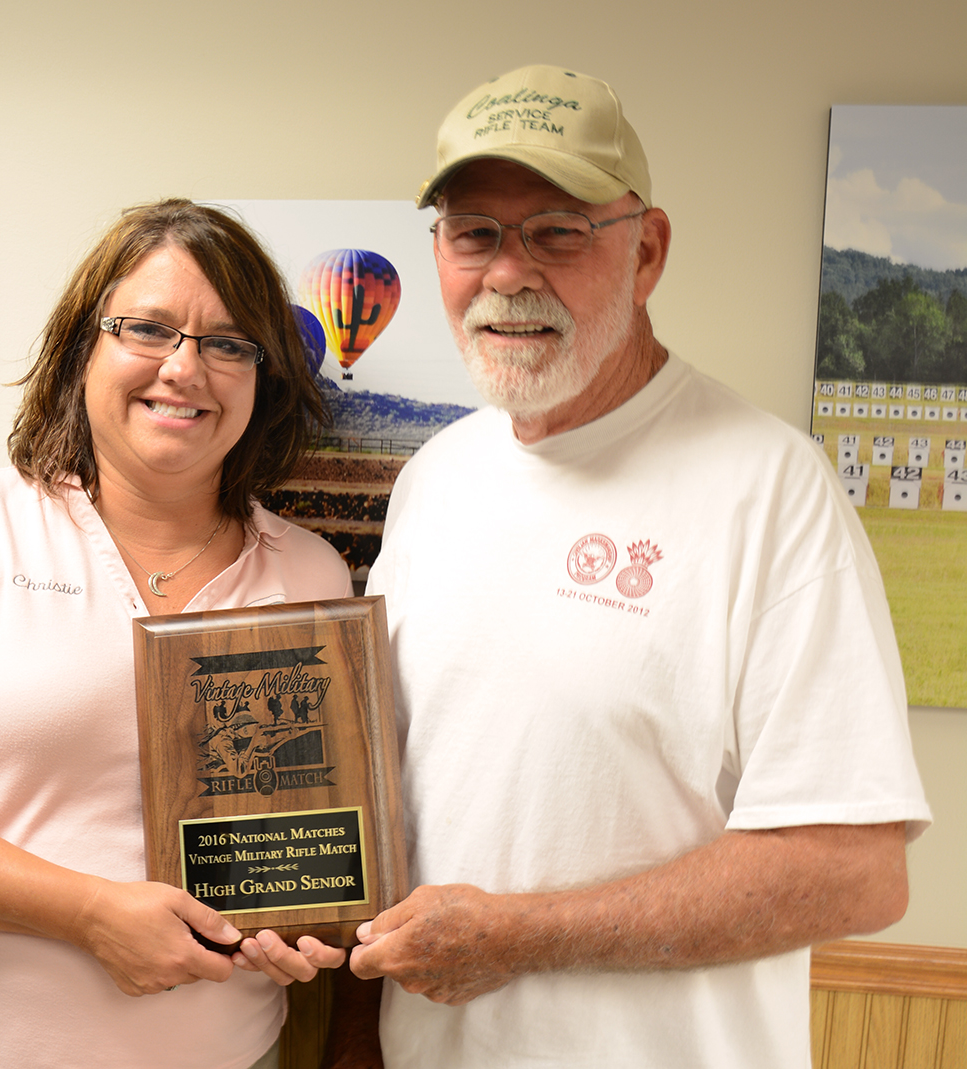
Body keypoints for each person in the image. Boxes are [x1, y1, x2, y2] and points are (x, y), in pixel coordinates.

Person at [328, 66, 932, 1069]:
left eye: (558, 232)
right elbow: (399, 808)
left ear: (646, 250)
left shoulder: (768, 487)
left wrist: (516, 936)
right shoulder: (433, 479)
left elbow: (855, 870)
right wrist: (354, 1041)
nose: (508, 274)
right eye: (474, 232)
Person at [0, 199, 352, 1069]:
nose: (186, 368)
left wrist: (304, 926)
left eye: (228, 343)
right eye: (149, 328)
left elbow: (295, 834)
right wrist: (92, 913)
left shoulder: (312, 574)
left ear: (263, 375)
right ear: (82, 348)